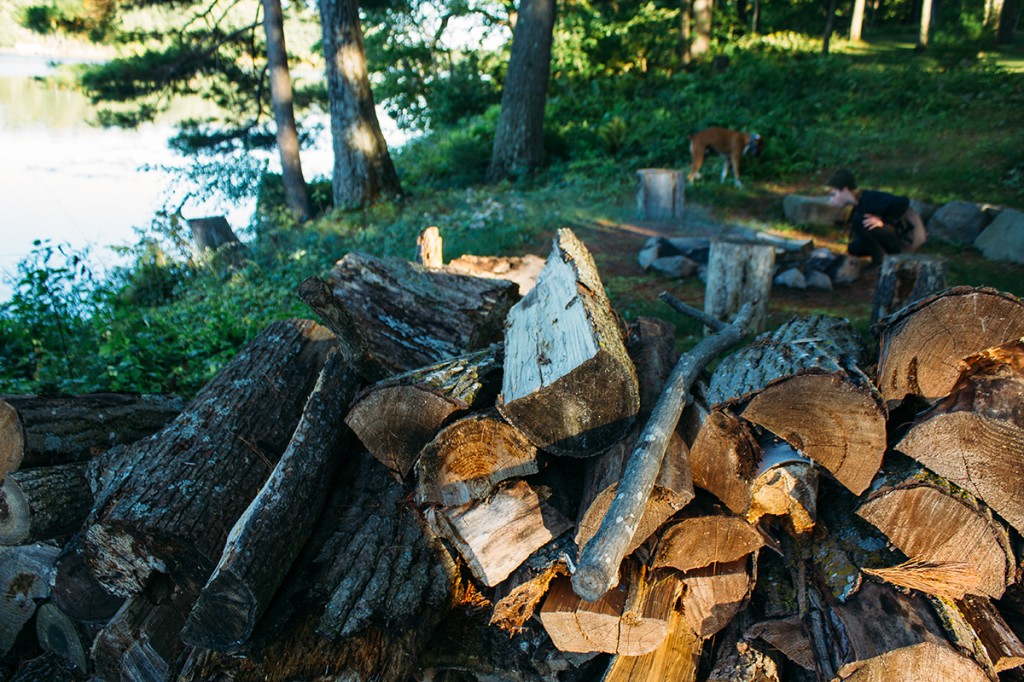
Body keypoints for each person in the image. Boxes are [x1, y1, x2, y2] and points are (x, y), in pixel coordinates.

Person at [826, 169, 927, 267]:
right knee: (854, 248)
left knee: (859, 221)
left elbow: (903, 202)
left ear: (845, 190)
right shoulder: (859, 205)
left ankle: (879, 260)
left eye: (833, 195)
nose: (831, 200)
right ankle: (882, 256)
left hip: (906, 240)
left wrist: (883, 221)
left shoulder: (869, 198)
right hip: (896, 238)